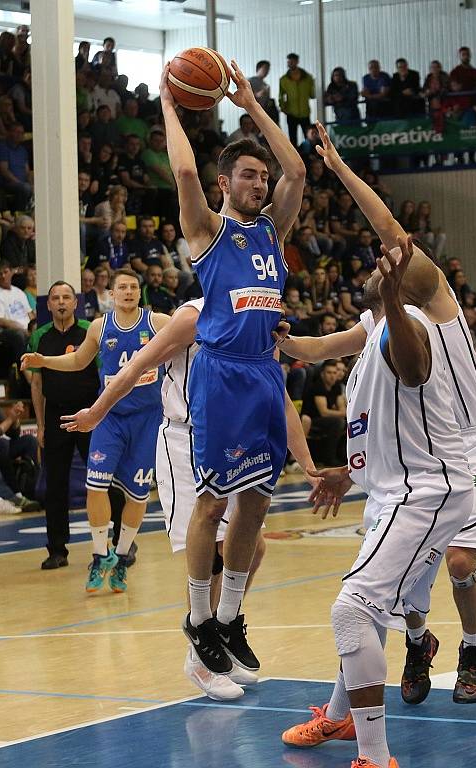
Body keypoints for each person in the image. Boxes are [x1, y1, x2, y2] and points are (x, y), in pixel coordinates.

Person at [279, 125, 476, 757]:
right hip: (400, 479)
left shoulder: (429, 316)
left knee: (367, 603)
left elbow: (411, 358)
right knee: (372, 602)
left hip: (449, 474)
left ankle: (385, 735)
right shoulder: (379, 322)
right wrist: (276, 339)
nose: (374, 264)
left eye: (389, 264)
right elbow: (320, 352)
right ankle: (349, 711)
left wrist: (342, 169)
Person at [62, 297, 319, 700]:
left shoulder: (258, 320)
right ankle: (199, 654)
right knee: (212, 552)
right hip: (186, 438)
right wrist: (96, 412)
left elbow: (279, 396)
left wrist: (306, 463)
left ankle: (221, 629)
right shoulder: (191, 317)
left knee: (254, 548)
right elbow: (134, 366)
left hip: (234, 436)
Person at [160, 58, 305, 675]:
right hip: (221, 378)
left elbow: (297, 167)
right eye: (248, 175)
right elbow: (186, 167)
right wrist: (169, 104)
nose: (261, 182)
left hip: (265, 376)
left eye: (261, 177)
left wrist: (250, 103)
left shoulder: (272, 231)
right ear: (225, 184)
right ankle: (198, 621)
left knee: (256, 506)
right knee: (213, 507)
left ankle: (230, 619)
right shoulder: (208, 231)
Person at [22, 269, 171, 589]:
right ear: (112, 294)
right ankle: (100, 553)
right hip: (110, 417)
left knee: (137, 494)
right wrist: (44, 361)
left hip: (147, 420)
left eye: (134, 286)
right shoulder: (101, 327)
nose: (129, 292)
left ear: (139, 292)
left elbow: (191, 338)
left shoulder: (157, 322)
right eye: (122, 288)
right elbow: (77, 362)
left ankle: (120, 555)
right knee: (95, 485)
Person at [24, 281, 100, 567]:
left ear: (75, 302)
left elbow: (104, 376)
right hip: (56, 417)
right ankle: (57, 550)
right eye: (55, 298)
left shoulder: (90, 331)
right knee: (55, 485)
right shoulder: (40, 336)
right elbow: (37, 383)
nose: (61, 302)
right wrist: (41, 425)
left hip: (89, 415)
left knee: (101, 481)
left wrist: (100, 414)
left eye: (66, 297)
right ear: (48, 304)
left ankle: (111, 545)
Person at [0, 258, 34, 365]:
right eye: (0, 274)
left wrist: (34, 327)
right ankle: (25, 374)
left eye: (5, 272)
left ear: (11, 272)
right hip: (8, 331)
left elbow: (30, 314)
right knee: (19, 335)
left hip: (26, 328)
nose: (3, 276)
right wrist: (22, 328)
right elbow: (1, 320)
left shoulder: (19, 292)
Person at [279, 53, 315, 147]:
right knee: (293, 138)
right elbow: (281, 95)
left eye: (292, 61)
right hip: (291, 113)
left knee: (308, 137)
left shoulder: (308, 78)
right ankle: (295, 160)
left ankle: (309, 157)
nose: (290, 63)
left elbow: (312, 94)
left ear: (297, 62)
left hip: (305, 112)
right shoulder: (284, 79)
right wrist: (282, 107)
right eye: (288, 61)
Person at [0, 122, 32, 212]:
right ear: (10, 132)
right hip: (8, 183)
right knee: (25, 188)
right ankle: (20, 213)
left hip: (22, 183)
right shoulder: (3, 147)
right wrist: (19, 182)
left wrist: (32, 184)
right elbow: (4, 170)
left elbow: (27, 171)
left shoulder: (23, 150)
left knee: (37, 187)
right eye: (17, 132)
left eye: (21, 133)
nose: (20, 135)